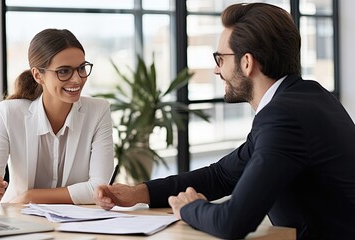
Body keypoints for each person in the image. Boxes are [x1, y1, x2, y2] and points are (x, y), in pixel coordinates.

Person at [94, 3, 355, 239]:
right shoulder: (307, 96)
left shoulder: (283, 117)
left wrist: (189, 208)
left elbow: (233, 222)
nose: (217, 69)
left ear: (247, 62)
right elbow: (220, 176)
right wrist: (138, 193)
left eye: (220, 59)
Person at [0, 28, 114, 206]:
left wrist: (30, 197)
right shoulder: (8, 113)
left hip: (74, 226)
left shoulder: (98, 111)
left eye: (81, 68)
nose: (77, 79)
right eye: (64, 71)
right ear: (38, 75)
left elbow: (99, 188)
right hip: (19, 219)